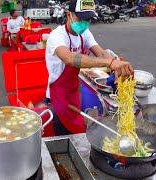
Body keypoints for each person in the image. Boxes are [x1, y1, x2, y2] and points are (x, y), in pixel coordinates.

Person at [45, 0, 134, 135]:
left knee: (77, 131)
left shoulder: (84, 33)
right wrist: (109, 63)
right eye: (81, 18)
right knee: (62, 135)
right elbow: (69, 58)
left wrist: (116, 64)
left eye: (88, 19)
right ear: (69, 15)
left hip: (74, 91)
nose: (85, 23)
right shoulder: (57, 36)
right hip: (58, 95)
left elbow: (101, 53)